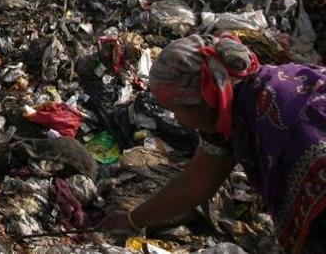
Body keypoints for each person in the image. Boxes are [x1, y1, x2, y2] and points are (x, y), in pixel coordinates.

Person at [101, 34, 326, 253]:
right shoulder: (231, 114)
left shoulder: (284, 120)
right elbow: (193, 184)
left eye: (176, 110)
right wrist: (132, 220)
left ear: (203, 100)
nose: (177, 119)